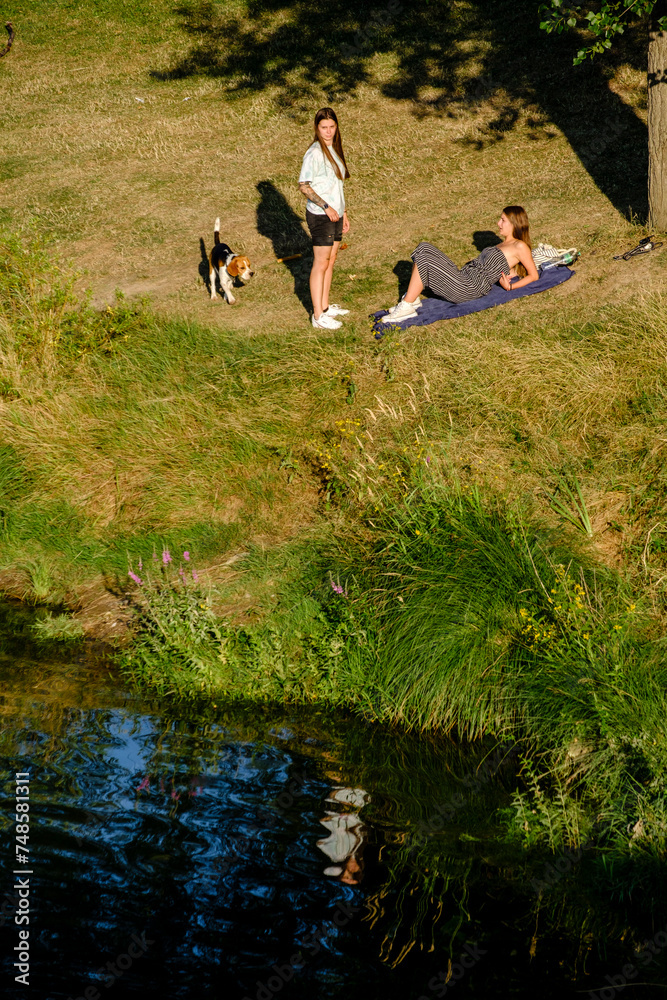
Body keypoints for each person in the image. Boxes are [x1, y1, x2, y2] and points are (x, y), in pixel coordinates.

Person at [383, 205, 539, 323]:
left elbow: (534, 275)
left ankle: (407, 306)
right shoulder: (501, 245)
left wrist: (511, 287)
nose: (498, 223)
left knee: (424, 258)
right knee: (424, 248)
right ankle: (413, 297)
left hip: (469, 287)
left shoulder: (519, 246)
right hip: (463, 277)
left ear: (514, 223)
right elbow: (505, 268)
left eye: (503, 220)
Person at [298, 107, 351, 330]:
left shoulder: (334, 149)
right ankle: (318, 316)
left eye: (331, 127)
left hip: (336, 214)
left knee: (331, 260)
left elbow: (337, 185)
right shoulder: (314, 153)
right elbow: (304, 186)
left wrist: (344, 211)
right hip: (321, 216)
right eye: (323, 128)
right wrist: (326, 206)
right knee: (320, 263)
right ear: (316, 128)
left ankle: (326, 306)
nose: (328, 132)